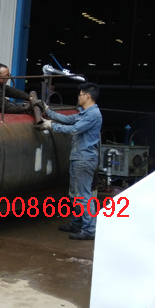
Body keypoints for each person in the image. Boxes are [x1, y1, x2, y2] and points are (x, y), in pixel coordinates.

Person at [37, 82, 102, 240]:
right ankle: (77, 224)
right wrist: (48, 111)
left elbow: (74, 129)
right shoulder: (85, 113)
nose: (78, 97)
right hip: (78, 157)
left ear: (87, 96)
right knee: (75, 194)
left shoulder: (93, 115)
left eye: (80, 95)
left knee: (83, 195)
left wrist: (51, 126)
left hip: (84, 158)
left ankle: (89, 230)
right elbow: (67, 119)